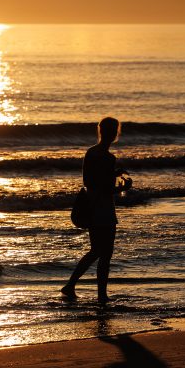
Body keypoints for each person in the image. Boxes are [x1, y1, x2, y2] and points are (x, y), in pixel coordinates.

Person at [61, 116, 127, 303]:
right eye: (113, 131)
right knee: (104, 253)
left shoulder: (91, 153)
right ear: (114, 134)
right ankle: (98, 294)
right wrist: (121, 188)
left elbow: (89, 181)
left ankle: (74, 286)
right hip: (104, 207)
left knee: (96, 251)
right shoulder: (108, 157)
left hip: (93, 204)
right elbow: (105, 186)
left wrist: (113, 175)